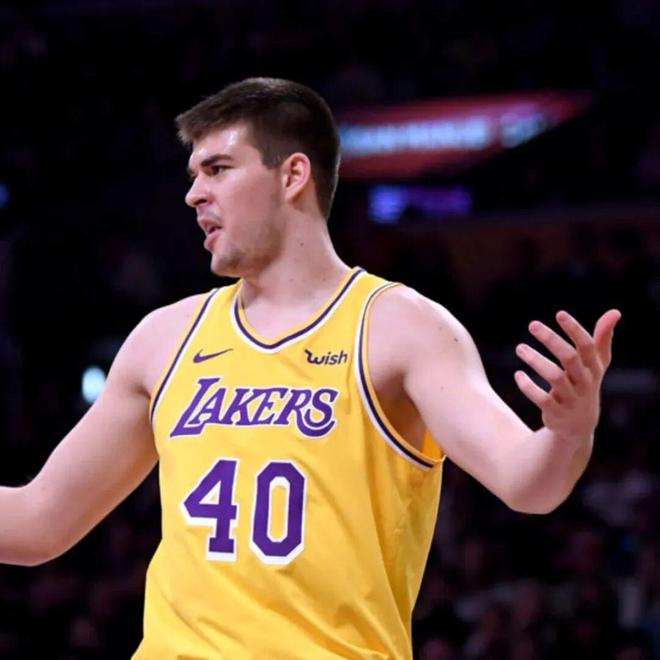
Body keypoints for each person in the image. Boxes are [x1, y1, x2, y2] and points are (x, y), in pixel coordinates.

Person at [0, 78, 620, 659]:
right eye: (193, 175)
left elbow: (528, 485)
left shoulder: (399, 327)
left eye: (218, 169)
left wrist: (569, 432)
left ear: (293, 174)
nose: (194, 194)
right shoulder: (163, 339)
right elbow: (37, 521)